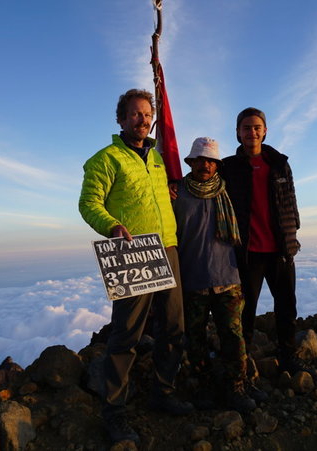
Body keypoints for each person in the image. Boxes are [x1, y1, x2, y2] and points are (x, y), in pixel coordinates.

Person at [79, 89, 192, 445]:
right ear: (121, 119)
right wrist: (111, 225)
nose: (142, 120)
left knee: (173, 327)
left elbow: (161, 197)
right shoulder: (106, 159)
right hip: (134, 254)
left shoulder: (157, 159)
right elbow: (88, 203)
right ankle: (114, 411)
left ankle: (163, 391)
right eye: (134, 114)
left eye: (147, 115)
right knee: (126, 334)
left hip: (168, 247)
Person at [173, 137, 257, 413]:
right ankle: (203, 384)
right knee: (195, 338)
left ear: (217, 165)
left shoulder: (228, 191)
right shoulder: (176, 194)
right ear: (191, 162)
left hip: (227, 277)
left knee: (233, 335)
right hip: (192, 278)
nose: (205, 165)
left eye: (210, 160)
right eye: (199, 159)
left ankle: (237, 386)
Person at [222, 107, 303, 374]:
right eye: (246, 128)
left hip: (280, 250)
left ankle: (288, 354)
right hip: (247, 253)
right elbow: (206, 187)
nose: (252, 132)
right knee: (245, 311)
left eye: (256, 127)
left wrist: (292, 235)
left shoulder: (279, 163)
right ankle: (241, 363)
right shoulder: (229, 167)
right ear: (237, 133)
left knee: (286, 306)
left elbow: (290, 200)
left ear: (265, 131)